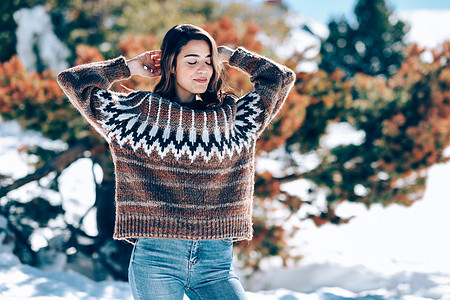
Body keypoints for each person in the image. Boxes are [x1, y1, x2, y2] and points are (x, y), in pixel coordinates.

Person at [57, 24, 295, 300]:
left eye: (209, 61)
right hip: (157, 260)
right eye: (191, 61)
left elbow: (280, 78)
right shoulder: (136, 116)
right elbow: (73, 81)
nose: (203, 70)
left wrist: (231, 55)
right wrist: (129, 67)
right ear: (171, 65)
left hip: (216, 265)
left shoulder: (234, 119)